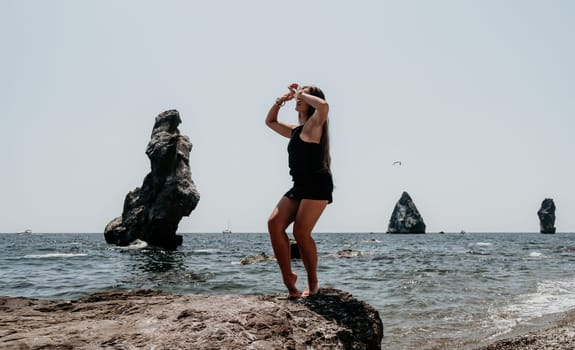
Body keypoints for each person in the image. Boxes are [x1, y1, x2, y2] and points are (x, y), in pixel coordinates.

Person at [265, 83, 333, 298]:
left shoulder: (315, 125)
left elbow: (324, 106)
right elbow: (270, 121)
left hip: (317, 184)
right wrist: (281, 100)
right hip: (299, 186)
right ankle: (290, 281)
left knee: (301, 233)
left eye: (304, 96)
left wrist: (302, 92)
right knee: (274, 224)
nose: (299, 98)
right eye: (298, 96)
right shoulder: (296, 130)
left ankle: (313, 283)